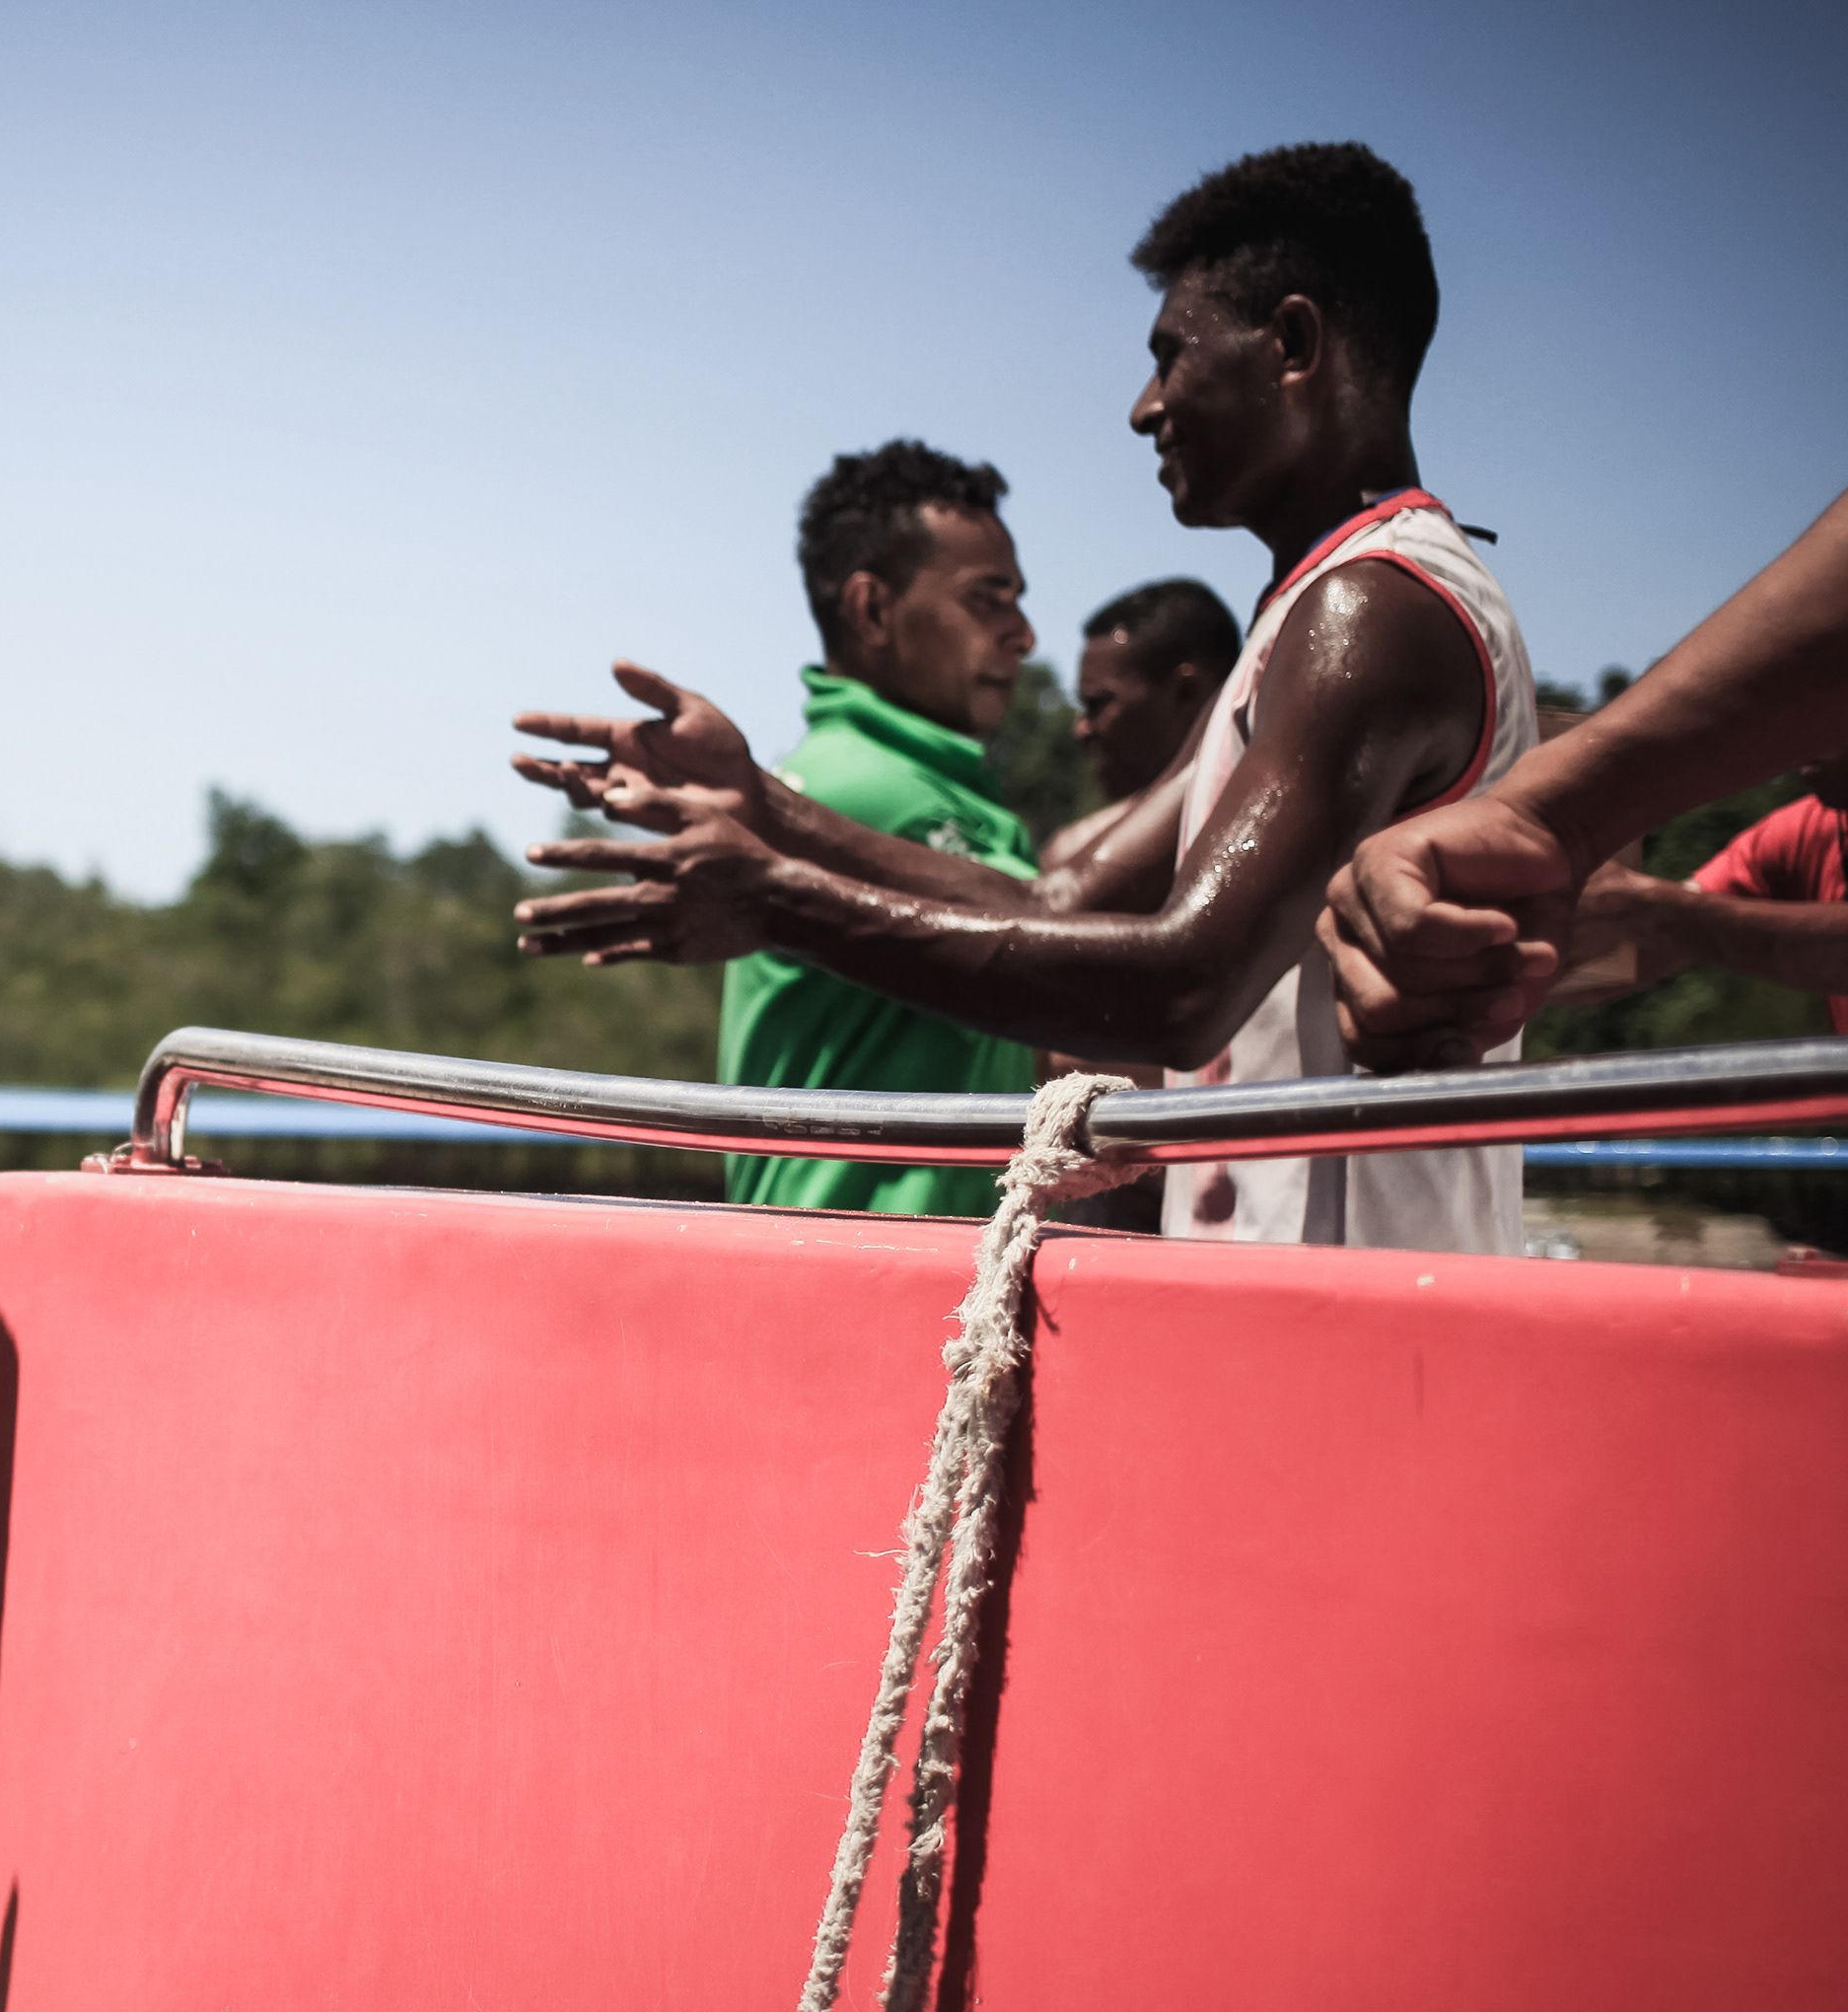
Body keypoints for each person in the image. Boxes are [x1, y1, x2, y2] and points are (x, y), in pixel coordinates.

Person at [511, 142, 1534, 1255]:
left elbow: (1186, 982)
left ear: (1291, 345)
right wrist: (767, 806)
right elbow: (1065, 899)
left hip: (1372, 1316)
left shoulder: (1368, 611)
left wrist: (778, 902)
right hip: (1292, 1302)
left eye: (1171, 356)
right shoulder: (1303, 616)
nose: (1145, 408)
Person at [513, 439, 1043, 1217]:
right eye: (987, 599)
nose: (1023, 632)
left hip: (869, 1271)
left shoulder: (918, 783)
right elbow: (1063, 930)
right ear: (872, 608)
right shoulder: (868, 789)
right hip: (873, 1276)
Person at [1322, 490, 1848, 1068]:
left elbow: (1676, 919)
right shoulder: (1801, 834)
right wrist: (1516, 952)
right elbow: (1648, 945)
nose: (1796, 753)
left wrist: (1653, 910)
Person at [1545, 759, 1848, 1030]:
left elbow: (1669, 919)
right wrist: (1534, 956)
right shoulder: (1807, 829)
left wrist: (1650, 913)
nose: (1802, 759)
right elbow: (1635, 954)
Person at [1048, 575, 1239, 870]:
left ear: (1187, 693)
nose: (1081, 728)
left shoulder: (1265, 828)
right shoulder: (1074, 852)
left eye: (1099, 704)